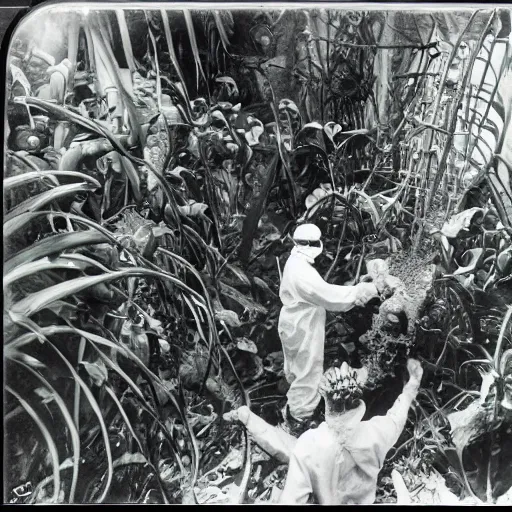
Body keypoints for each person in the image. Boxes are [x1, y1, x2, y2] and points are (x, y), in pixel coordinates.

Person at [278, 358, 424, 504]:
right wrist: (413, 384)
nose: (344, 365)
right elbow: (396, 418)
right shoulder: (374, 434)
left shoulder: (308, 445)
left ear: (326, 400)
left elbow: (290, 501)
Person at [278, 223, 379, 433]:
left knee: (299, 369)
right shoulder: (301, 272)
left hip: (296, 322)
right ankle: (299, 422)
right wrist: (361, 291)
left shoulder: (295, 262)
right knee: (307, 372)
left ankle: (294, 413)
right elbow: (328, 296)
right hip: (303, 325)